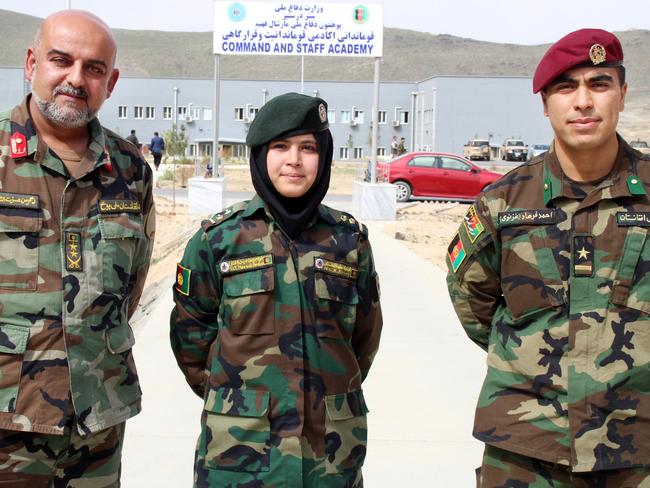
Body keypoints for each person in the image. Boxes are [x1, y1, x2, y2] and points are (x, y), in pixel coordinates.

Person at [446, 28, 650, 486]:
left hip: (637, 447)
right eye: (566, 87)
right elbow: (472, 302)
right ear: (545, 104)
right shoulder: (503, 202)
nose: (583, 101)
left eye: (598, 84)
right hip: (525, 448)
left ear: (622, 94)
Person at [170, 92, 382, 487]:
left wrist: (325, 388)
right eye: (280, 146)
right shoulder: (219, 240)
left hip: (329, 456)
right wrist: (235, 401)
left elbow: (363, 341)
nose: (294, 160)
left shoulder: (349, 241)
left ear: (325, 157)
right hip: (240, 454)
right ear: (259, 155)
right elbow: (191, 340)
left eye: (308, 148)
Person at [0, 10, 155, 486]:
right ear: (31, 63)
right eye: (60, 60)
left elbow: (131, 289)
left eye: (93, 68)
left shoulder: (130, 171)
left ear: (111, 81)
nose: (75, 78)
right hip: (7, 422)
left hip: (98, 424)